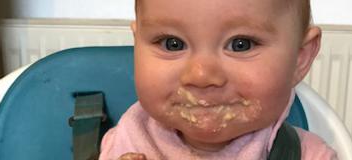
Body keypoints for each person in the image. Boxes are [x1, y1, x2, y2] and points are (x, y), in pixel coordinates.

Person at [100, 0, 337, 159]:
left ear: (299, 57)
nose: (201, 76)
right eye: (172, 43)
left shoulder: (308, 155)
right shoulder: (120, 145)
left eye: (240, 44)